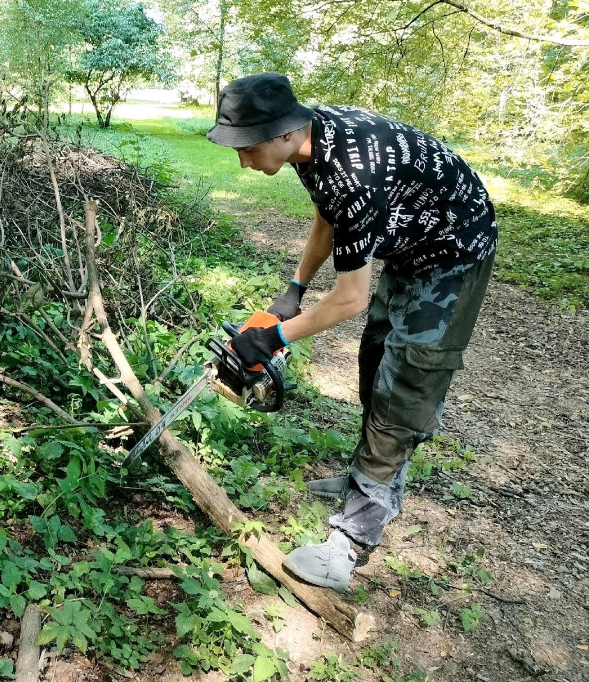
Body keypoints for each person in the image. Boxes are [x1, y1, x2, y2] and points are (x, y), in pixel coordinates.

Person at [207, 72, 497, 592]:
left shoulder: (354, 170)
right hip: (408, 247)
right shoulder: (310, 144)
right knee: (376, 359)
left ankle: (351, 541)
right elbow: (328, 214)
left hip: (453, 252)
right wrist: (295, 287)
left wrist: (274, 339)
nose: (242, 161)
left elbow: (350, 299)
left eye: (245, 148)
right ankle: (365, 481)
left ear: (280, 133)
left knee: (407, 383)